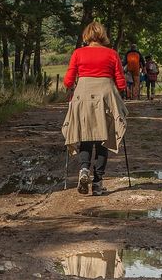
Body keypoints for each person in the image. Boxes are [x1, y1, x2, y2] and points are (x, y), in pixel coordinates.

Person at [62, 21, 128, 196]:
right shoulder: (112, 54)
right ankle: (98, 183)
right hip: (105, 96)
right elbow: (121, 82)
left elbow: (68, 81)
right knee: (103, 139)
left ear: (86, 36)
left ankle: (84, 170)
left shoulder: (78, 53)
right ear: (103, 35)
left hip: (83, 95)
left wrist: (71, 87)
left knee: (85, 136)